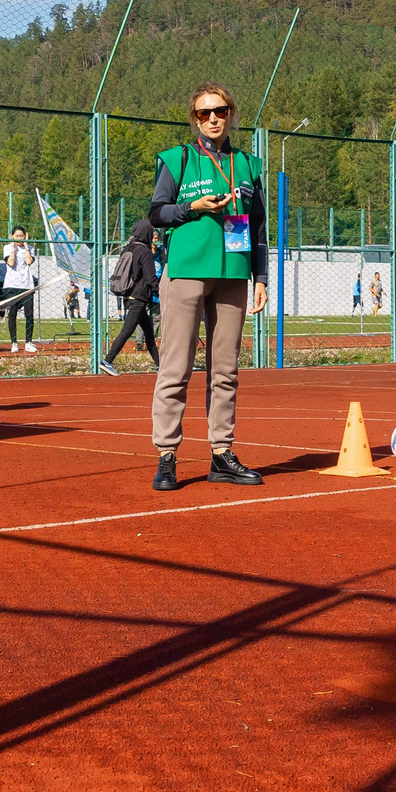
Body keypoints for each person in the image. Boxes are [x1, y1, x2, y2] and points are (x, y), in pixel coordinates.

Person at [148, 82, 270, 490]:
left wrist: (261, 278)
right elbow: (156, 215)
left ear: (231, 114)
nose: (213, 118)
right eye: (204, 113)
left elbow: (258, 229)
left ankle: (221, 454)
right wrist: (191, 208)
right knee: (176, 367)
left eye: (220, 111)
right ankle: (167, 456)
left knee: (226, 370)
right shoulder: (177, 159)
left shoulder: (250, 166)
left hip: (234, 275)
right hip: (186, 272)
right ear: (195, 119)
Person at [101, 217, 162, 372]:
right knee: (127, 330)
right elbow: (150, 279)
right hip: (139, 298)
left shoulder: (127, 249)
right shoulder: (145, 252)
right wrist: (162, 292)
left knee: (149, 333)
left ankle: (160, 364)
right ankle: (108, 361)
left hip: (127, 296)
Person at [1, 227, 40, 353]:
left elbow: (29, 261)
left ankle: (28, 341)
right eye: (17, 236)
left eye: (22, 236)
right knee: (12, 314)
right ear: (12, 236)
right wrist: (13, 247)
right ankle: (14, 343)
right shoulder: (7, 247)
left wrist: (27, 246)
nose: (20, 238)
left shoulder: (30, 248)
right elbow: (11, 263)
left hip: (27, 285)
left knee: (29, 314)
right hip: (11, 285)